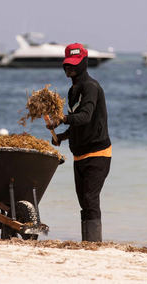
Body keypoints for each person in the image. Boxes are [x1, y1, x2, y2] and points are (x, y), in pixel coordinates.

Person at [46, 43, 112, 242]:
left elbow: (85, 116)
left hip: (97, 154)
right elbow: (78, 125)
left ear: (84, 63)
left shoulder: (91, 87)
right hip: (80, 155)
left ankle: (93, 243)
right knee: (83, 201)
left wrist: (62, 119)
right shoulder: (72, 90)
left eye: (74, 64)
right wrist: (64, 136)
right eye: (67, 64)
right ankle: (88, 243)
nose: (70, 68)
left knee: (91, 200)